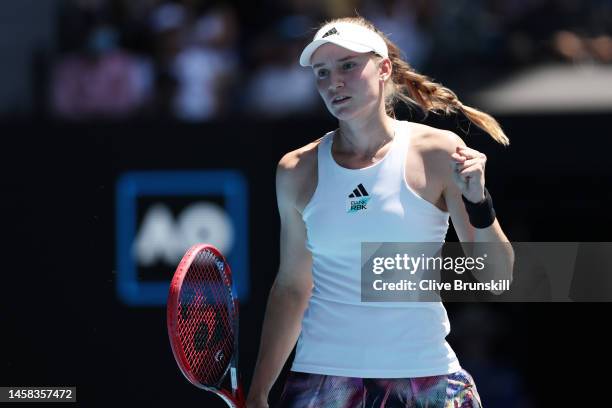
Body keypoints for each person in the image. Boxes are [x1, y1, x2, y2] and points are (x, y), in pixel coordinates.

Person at [246, 16, 514, 408]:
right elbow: (292, 287)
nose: (333, 82)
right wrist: (258, 392)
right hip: (324, 382)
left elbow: (497, 276)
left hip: (426, 378)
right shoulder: (296, 170)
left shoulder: (438, 152)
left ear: (383, 68)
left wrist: (480, 204)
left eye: (347, 66)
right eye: (322, 72)